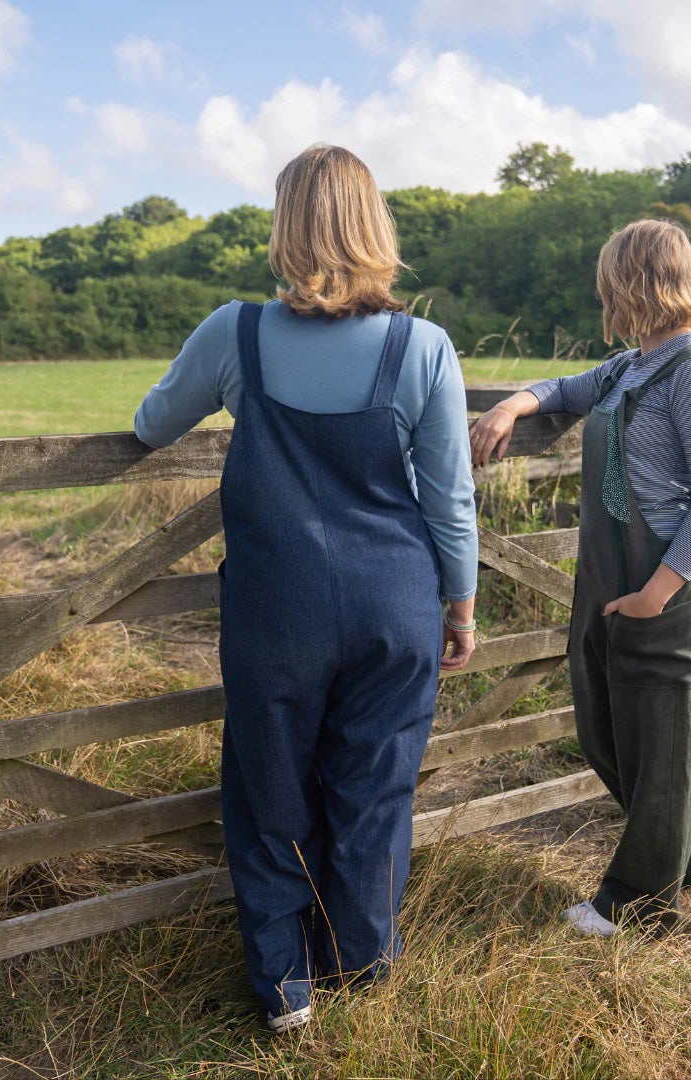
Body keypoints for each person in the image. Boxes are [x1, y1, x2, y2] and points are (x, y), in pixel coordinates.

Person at [133, 145, 478, 1031]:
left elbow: (150, 423)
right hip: (394, 602)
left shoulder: (234, 333)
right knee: (374, 786)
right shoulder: (423, 346)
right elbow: (449, 496)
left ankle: (285, 984)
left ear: (287, 227)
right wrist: (462, 604)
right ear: (376, 229)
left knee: (268, 786)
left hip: (274, 608)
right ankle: (359, 965)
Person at [471, 219, 691, 936]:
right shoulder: (630, 365)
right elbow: (568, 386)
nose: (603, 295)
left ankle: (634, 904)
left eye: (610, 282)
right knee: (613, 739)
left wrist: (655, 593)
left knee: (660, 746)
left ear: (632, 284)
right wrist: (517, 402)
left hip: (671, 590)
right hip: (617, 583)